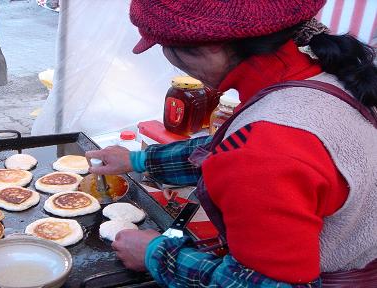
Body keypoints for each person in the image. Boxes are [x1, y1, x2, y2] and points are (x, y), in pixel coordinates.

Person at [85, 0, 377, 287]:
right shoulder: (327, 76)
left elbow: (263, 284)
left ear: (210, 45)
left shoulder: (265, 149)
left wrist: (156, 255)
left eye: (164, 47)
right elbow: (232, 148)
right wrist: (138, 160)